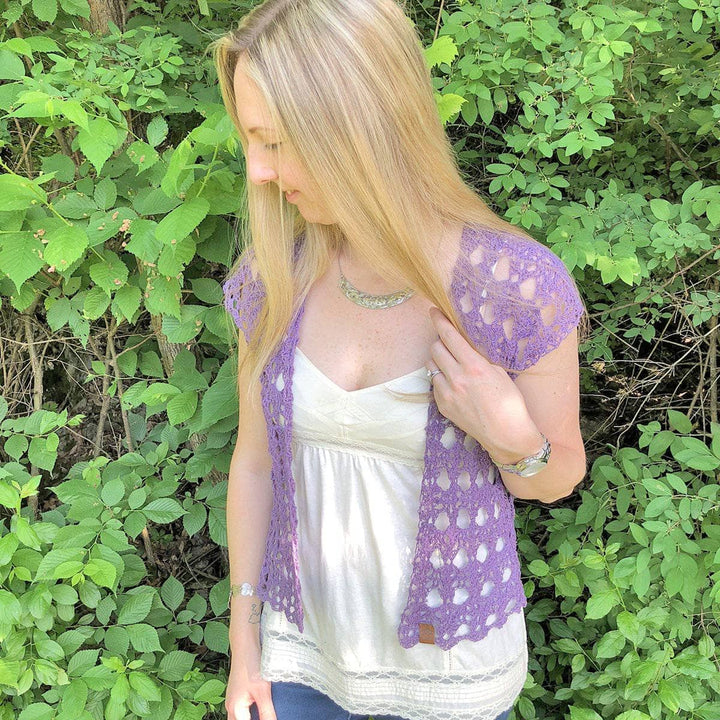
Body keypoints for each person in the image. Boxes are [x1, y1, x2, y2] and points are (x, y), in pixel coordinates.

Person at [211, 1, 586, 719]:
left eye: (276, 142)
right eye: (252, 142)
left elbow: (558, 476)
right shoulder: (272, 282)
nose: (258, 170)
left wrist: (512, 437)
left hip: (451, 680)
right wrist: (245, 644)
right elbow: (253, 464)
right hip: (300, 669)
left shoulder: (513, 290)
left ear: (357, 127)